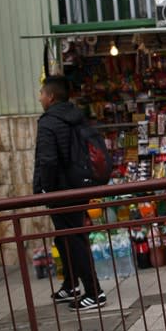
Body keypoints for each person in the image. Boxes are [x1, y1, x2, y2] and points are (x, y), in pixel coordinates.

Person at [33, 75, 106, 311]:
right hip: (79, 184)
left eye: (42, 93)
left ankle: (94, 292)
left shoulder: (48, 122)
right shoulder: (76, 117)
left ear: (51, 96)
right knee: (63, 237)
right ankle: (71, 283)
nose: (40, 96)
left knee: (73, 239)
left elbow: (47, 161)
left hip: (61, 190)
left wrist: (45, 189)